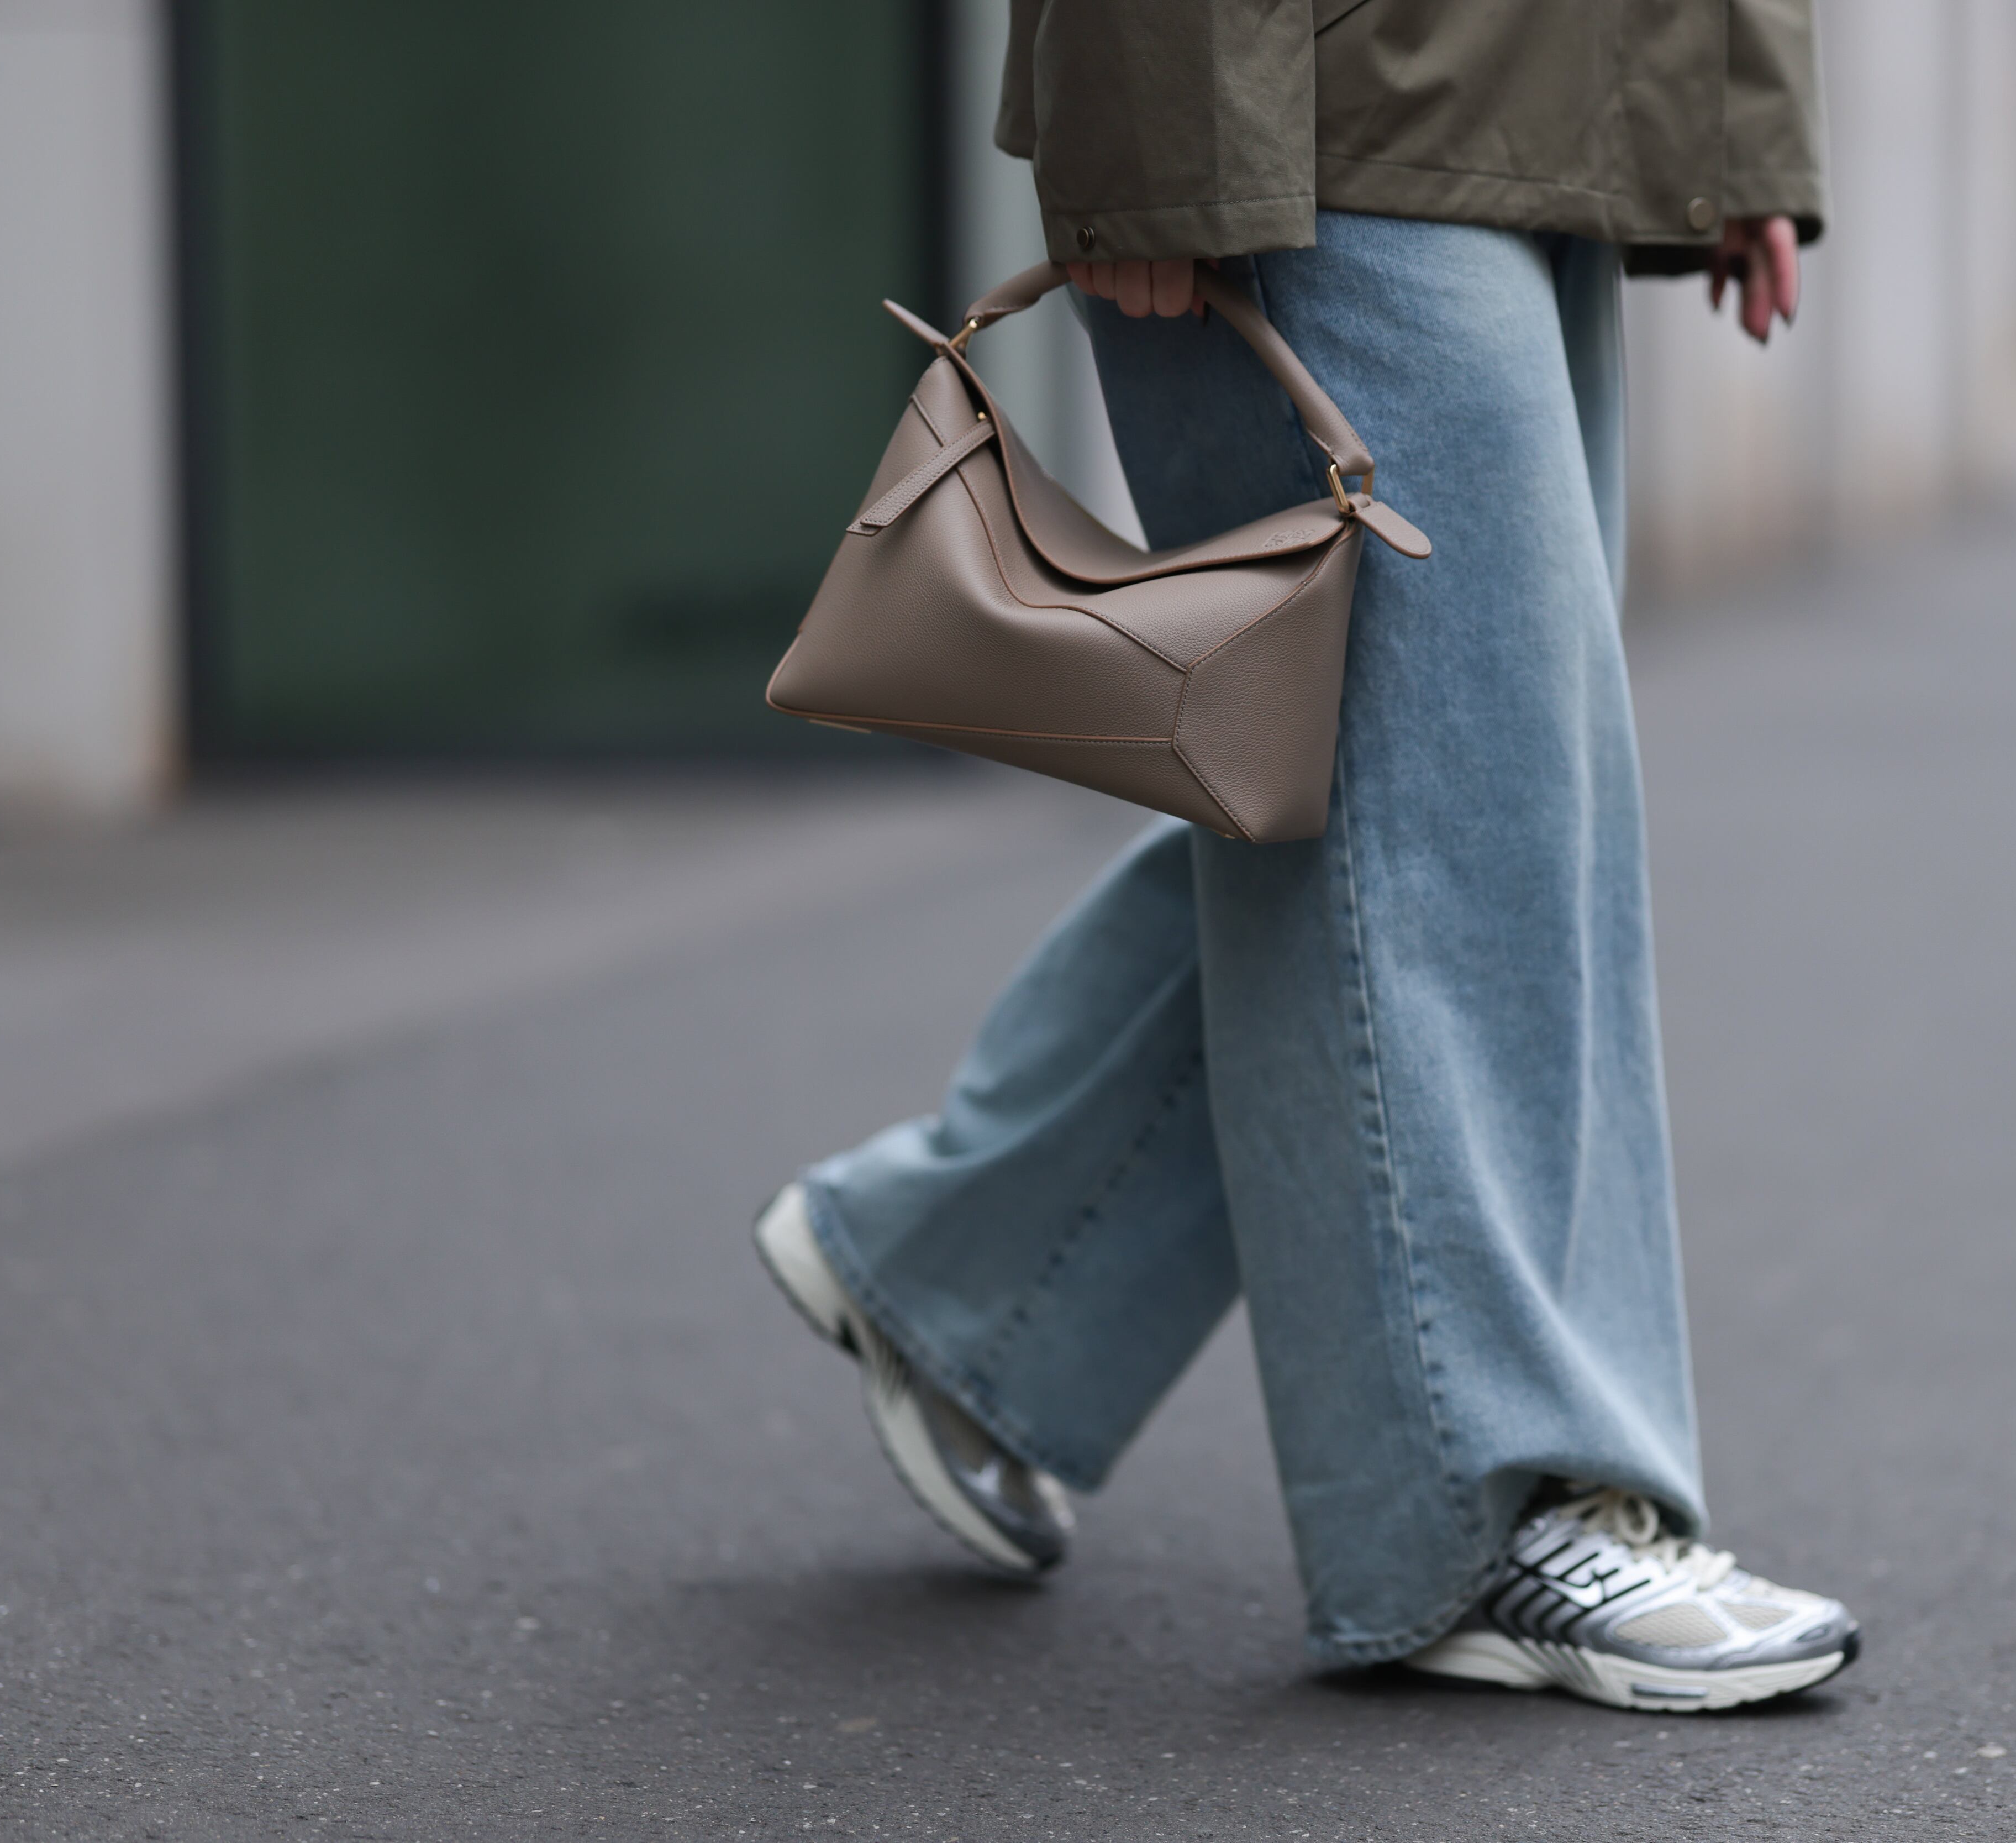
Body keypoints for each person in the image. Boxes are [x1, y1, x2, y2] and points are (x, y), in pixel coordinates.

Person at [752, 0, 1859, 1714]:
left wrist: (1730, 119)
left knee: (1445, 785)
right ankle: (1491, 1505)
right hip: (1317, 108)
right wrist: (1166, 122)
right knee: (1455, 797)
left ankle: (977, 1275)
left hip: (1552, 98)